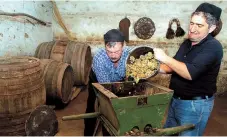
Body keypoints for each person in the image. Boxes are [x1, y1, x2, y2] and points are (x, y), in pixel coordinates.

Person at [153, 2, 223, 136]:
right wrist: (152, 69)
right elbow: (172, 66)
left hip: (194, 106)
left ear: (212, 27)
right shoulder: (187, 43)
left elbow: (189, 72)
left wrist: (164, 57)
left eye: (199, 25)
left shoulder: (213, 47)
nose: (192, 28)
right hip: (175, 100)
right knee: (168, 133)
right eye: (192, 23)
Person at [84, 29, 130, 136]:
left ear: (123, 47)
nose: (113, 55)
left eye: (117, 52)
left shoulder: (129, 52)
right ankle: (88, 133)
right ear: (105, 47)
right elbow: (106, 89)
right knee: (96, 107)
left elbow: (142, 52)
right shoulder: (99, 58)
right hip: (98, 80)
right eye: (109, 51)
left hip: (119, 80)